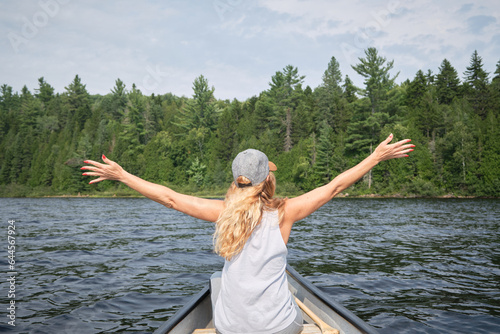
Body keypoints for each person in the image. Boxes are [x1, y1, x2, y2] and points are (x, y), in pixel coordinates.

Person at [82, 133, 414, 333]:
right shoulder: (286, 211)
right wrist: (375, 156)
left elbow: (170, 197)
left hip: (229, 329)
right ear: (266, 180)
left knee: (218, 282)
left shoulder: (222, 212)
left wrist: (123, 175)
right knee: (288, 309)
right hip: (279, 329)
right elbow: (334, 187)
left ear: (236, 180)